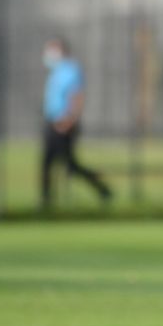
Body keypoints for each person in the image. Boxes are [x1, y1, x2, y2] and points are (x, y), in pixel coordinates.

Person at [40, 37, 112, 211]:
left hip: (64, 124)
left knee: (70, 166)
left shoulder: (71, 70)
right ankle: (45, 202)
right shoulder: (56, 71)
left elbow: (77, 96)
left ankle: (102, 189)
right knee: (47, 164)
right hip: (52, 123)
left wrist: (69, 119)